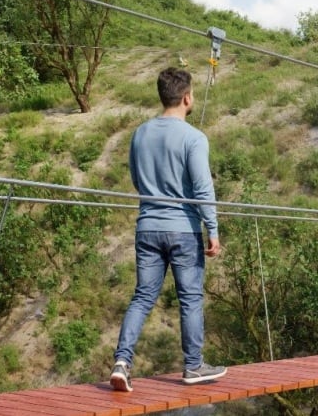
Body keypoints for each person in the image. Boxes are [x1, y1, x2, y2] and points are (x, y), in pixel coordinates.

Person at [110, 67, 226, 392]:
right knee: (189, 298)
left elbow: (136, 179)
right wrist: (213, 231)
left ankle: (122, 362)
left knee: (143, 296)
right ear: (187, 97)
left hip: (147, 228)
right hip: (183, 231)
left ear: (163, 95)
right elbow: (203, 190)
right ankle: (193, 366)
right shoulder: (194, 138)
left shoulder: (140, 134)